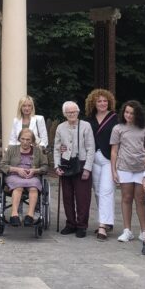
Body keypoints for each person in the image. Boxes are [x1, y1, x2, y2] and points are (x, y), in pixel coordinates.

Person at [111, 100, 145, 243]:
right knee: (126, 198)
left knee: (140, 200)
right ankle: (127, 230)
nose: (128, 115)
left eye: (132, 113)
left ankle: (144, 231)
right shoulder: (118, 128)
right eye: (126, 112)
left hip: (141, 167)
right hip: (124, 167)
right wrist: (114, 170)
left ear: (137, 114)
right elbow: (114, 150)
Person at [54, 101, 95, 238]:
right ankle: (70, 223)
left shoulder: (86, 126)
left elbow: (91, 148)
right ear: (65, 114)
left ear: (78, 112)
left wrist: (87, 168)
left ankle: (82, 225)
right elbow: (56, 148)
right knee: (67, 196)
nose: (72, 114)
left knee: (83, 197)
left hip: (82, 163)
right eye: (69, 112)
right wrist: (56, 166)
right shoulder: (60, 127)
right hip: (66, 163)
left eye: (74, 112)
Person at [84, 88, 119, 241]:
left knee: (106, 190)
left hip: (109, 159)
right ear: (94, 103)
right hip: (92, 159)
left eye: (105, 101)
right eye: (99, 101)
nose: (103, 103)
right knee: (98, 191)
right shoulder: (88, 120)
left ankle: (102, 226)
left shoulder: (115, 118)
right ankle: (106, 220)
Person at [0, 128, 49, 227]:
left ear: (32, 141)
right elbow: (2, 165)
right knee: (18, 187)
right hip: (14, 175)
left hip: (32, 176)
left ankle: (29, 216)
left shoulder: (38, 151)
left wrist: (35, 171)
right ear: (19, 139)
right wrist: (17, 170)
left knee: (34, 188)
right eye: (23, 139)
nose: (25, 142)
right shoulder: (12, 149)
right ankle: (14, 215)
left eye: (28, 140)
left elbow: (45, 166)